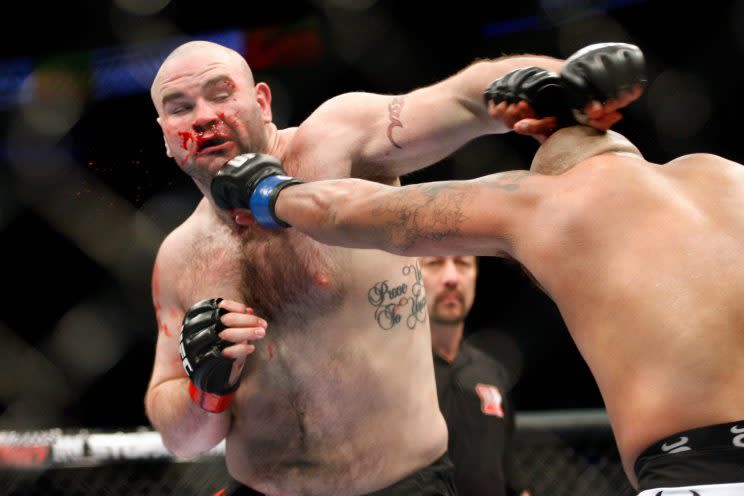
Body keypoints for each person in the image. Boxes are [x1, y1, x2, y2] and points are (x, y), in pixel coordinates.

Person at [223, 52, 744, 495]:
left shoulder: (543, 201)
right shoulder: (722, 175)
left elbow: (357, 214)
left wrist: (270, 191)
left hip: (701, 464)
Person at [144, 39, 627, 495]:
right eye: (180, 107)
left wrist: (570, 78)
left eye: (220, 93)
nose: (204, 117)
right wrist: (206, 389)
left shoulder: (334, 143)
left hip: (400, 486)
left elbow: (460, 100)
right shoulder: (181, 256)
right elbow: (183, 439)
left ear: (263, 103)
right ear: (166, 136)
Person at [420, 255, 528, 496]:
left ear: (475, 275)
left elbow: (510, 476)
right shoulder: (391, 375)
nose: (451, 278)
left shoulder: (491, 371)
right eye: (434, 263)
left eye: (462, 263)